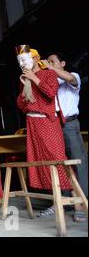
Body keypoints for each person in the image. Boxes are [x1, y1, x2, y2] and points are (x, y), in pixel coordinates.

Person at [16, 45, 72, 198]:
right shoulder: (24, 79)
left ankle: (76, 201)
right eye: (19, 61)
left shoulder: (48, 74)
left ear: (35, 58)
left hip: (47, 121)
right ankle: (55, 201)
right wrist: (24, 84)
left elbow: (50, 93)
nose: (22, 64)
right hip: (31, 122)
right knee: (40, 160)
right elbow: (22, 105)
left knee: (56, 157)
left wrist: (34, 78)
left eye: (24, 59)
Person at [40, 52, 87, 222]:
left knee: (77, 162)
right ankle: (61, 201)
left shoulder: (71, 77)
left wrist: (49, 67)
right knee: (58, 163)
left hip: (69, 124)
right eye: (47, 62)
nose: (48, 64)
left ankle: (81, 203)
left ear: (63, 63)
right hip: (53, 125)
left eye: (53, 61)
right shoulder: (49, 81)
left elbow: (69, 78)